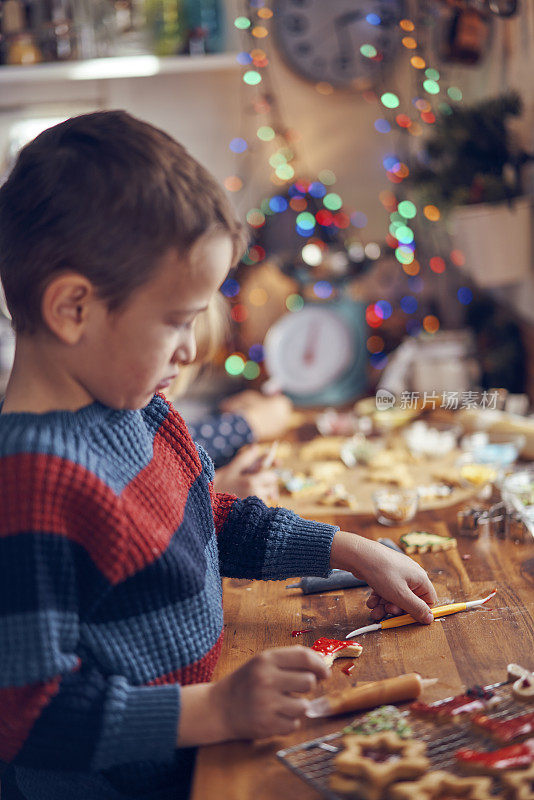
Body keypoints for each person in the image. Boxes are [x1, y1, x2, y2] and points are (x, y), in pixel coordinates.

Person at [0, 111, 437, 800]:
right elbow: (28, 717)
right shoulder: (29, 482)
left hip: (189, 752)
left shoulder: (135, 406)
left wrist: (344, 549)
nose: (192, 348)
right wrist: (218, 710)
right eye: (176, 320)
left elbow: (203, 517)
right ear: (73, 308)